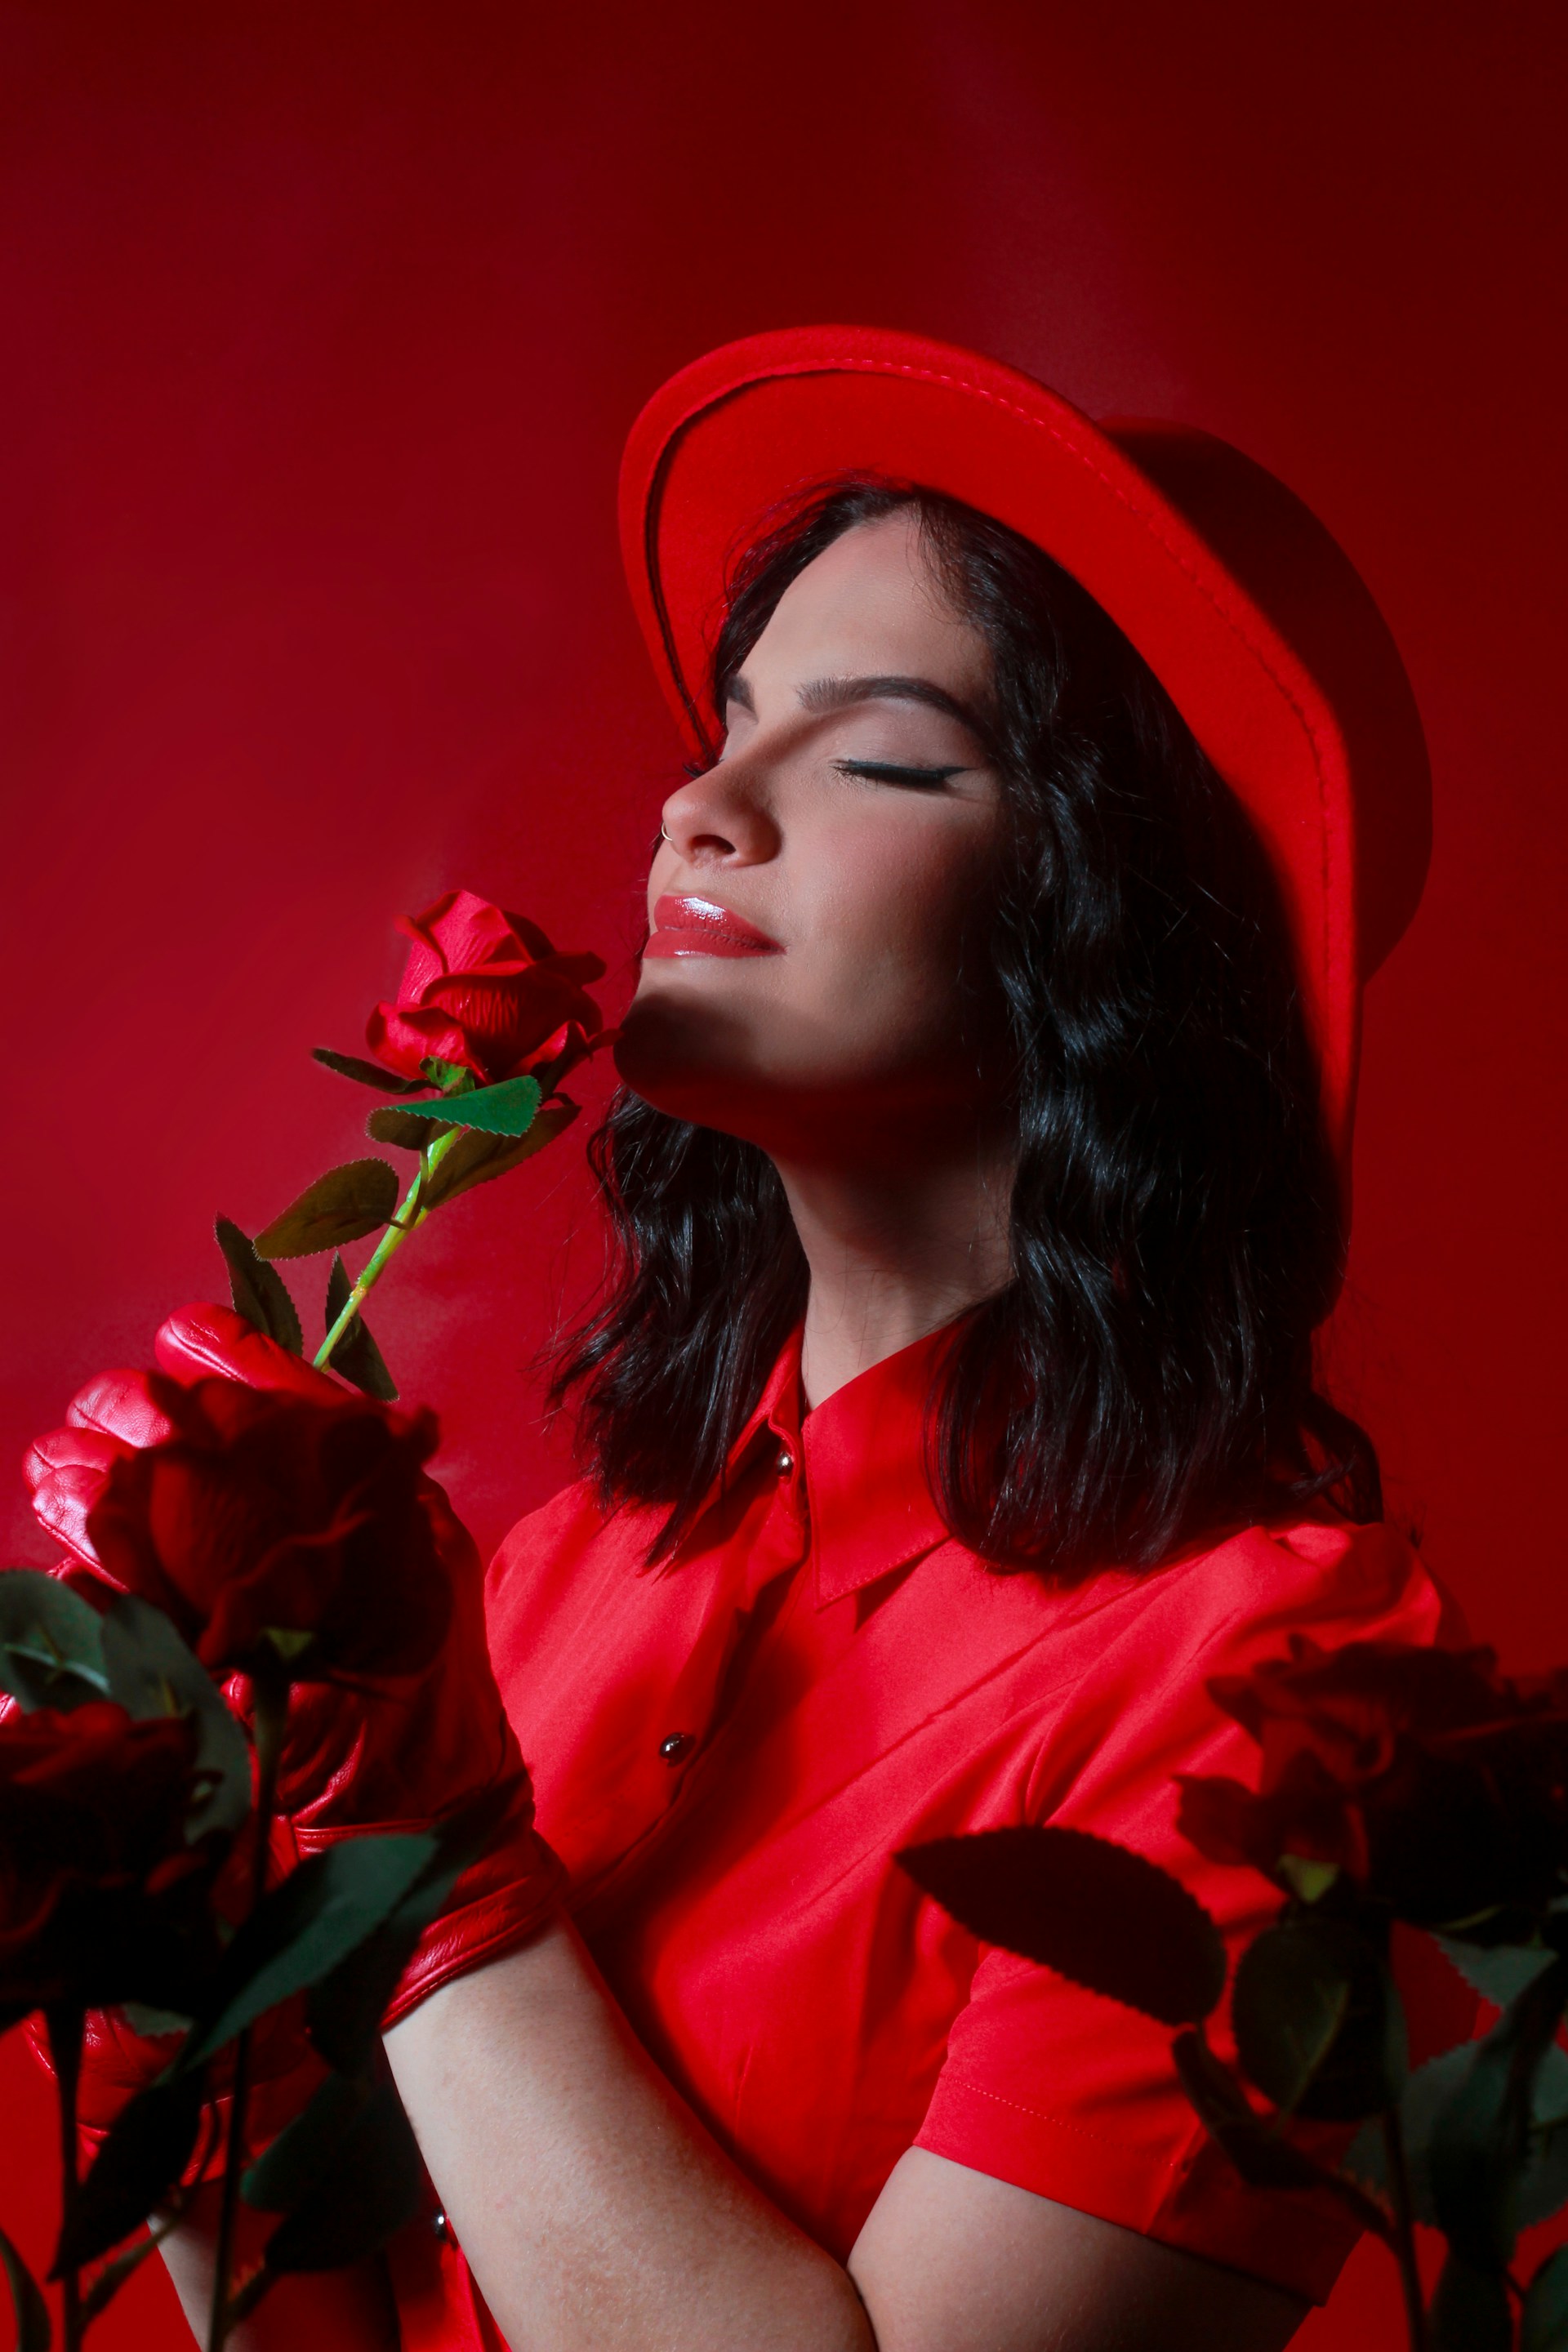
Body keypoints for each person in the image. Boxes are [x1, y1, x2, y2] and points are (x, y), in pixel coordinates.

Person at [26, 328, 1459, 2351]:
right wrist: (147, 1958)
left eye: (873, 753)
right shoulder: (551, 1589)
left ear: (1116, 923)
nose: (702, 801)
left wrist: (435, 1859)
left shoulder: (1285, 1691)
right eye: (726, 725)